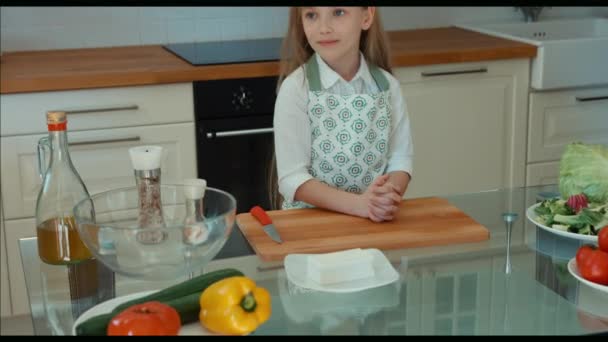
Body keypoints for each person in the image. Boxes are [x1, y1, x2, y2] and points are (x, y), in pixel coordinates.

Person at [272, 7, 413, 222]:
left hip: (372, 223)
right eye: (312, 15)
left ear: (366, 16)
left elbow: (400, 160)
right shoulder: (296, 89)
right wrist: (359, 205)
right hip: (310, 225)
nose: (324, 28)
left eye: (338, 12)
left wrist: (386, 197)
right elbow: (292, 178)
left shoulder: (388, 87)